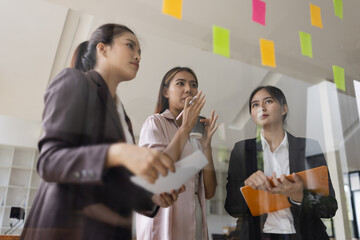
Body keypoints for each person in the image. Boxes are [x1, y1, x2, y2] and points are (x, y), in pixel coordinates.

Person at [20, 23, 181, 240]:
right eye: (130, 46)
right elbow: (50, 163)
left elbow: (111, 182)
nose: (137, 56)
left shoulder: (122, 115)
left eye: (140, 52)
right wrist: (116, 153)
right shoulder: (74, 81)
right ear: (102, 49)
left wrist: (152, 197)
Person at [225, 86, 338, 240]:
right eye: (255, 105)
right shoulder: (242, 150)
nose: (261, 108)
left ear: (284, 109)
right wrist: (246, 188)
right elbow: (232, 206)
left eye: (268, 101)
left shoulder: (308, 147)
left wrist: (299, 195)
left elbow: (329, 207)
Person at [136, 67, 219, 240]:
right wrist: (185, 127)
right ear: (165, 91)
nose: (189, 89)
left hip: (193, 217)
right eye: (180, 83)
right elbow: (157, 176)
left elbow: (209, 192)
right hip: (164, 219)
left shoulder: (196, 136)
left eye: (193, 85)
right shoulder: (155, 122)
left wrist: (207, 146)